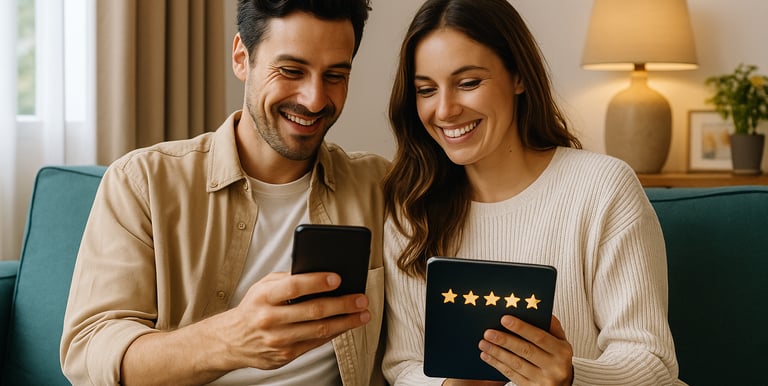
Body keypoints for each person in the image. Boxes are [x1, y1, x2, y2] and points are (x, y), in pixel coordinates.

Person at [60, 1, 389, 385]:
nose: (314, 99)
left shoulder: (380, 187)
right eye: (291, 70)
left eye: (335, 75)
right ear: (241, 58)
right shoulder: (142, 182)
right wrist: (232, 340)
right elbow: (89, 352)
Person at [381, 0, 684, 385]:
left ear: (519, 76)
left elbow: (653, 362)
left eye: (469, 83)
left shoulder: (602, 188)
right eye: (426, 90)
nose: (444, 110)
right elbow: (403, 364)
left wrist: (570, 378)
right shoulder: (411, 207)